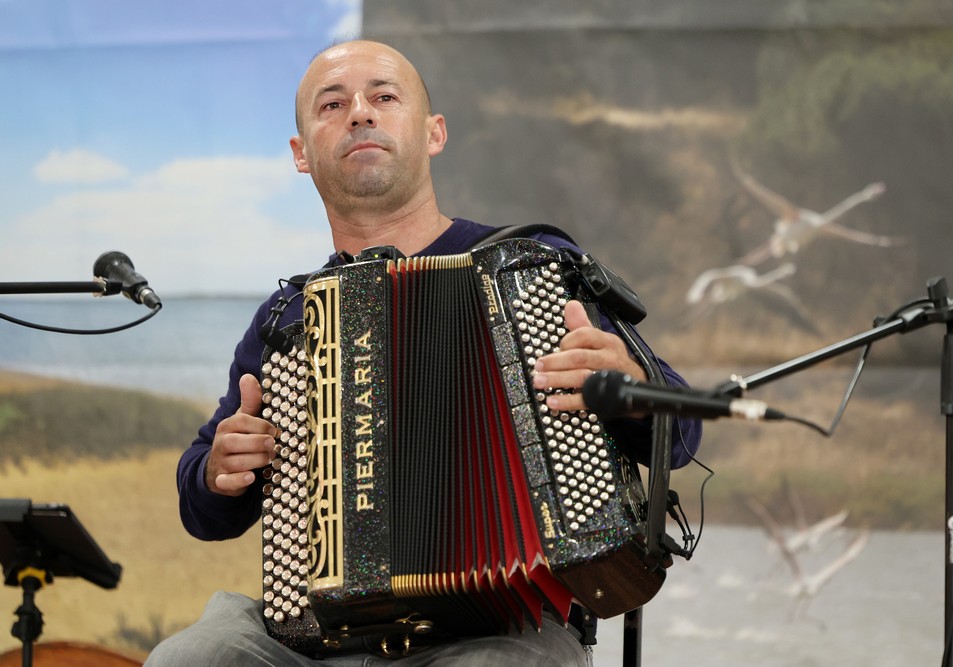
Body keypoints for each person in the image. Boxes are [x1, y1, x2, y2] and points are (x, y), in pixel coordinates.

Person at [146, 39, 702, 667]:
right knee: (192, 657)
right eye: (332, 104)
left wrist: (627, 385)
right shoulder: (287, 320)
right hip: (321, 636)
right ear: (301, 155)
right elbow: (203, 508)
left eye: (384, 97)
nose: (360, 112)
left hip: (506, 627)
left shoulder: (532, 266)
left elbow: (679, 436)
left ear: (433, 132)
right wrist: (220, 467)